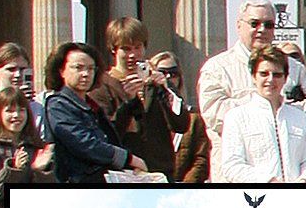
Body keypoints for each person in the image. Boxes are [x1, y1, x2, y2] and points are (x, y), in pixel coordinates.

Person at [197, 0, 306, 173]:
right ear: (239, 25)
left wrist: (287, 110)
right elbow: (214, 115)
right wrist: (262, 106)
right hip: (237, 176)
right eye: (254, 23)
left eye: (268, 25)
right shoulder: (217, 68)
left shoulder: (293, 66)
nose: (262, 30)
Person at [91, 17, 190, 177]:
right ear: (114, 50)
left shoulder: (156, 82)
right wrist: (128, 104)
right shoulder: (102, 86)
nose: (133, 55)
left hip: (160, 170)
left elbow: (181, 125)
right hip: (124, 172)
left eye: (137, 47)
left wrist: (166, 91)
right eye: (126, 49)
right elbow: (106, 134)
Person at [45, 43, 149, 184]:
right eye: (78, 68)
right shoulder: (58, 105)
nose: (86, 74)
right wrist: (128, 158)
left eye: (90, 69)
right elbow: (84, 142)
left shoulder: (91, 105)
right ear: (61, 70)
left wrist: (130, 102)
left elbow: (112, 136)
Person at [217, 46, 306, 182]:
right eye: (264, 74)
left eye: (277, 74)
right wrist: (269, 181)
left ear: (285, 78)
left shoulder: (299, 117)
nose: (270, 79)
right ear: (253, 77)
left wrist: (305, 180)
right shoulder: (236, 117)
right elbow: (232, 166)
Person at [149, 52, 211, 183]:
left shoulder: (194, 118)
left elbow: (201, 159)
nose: (168, 77)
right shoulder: (146, 113)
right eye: (162, 72)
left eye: (174, 73)